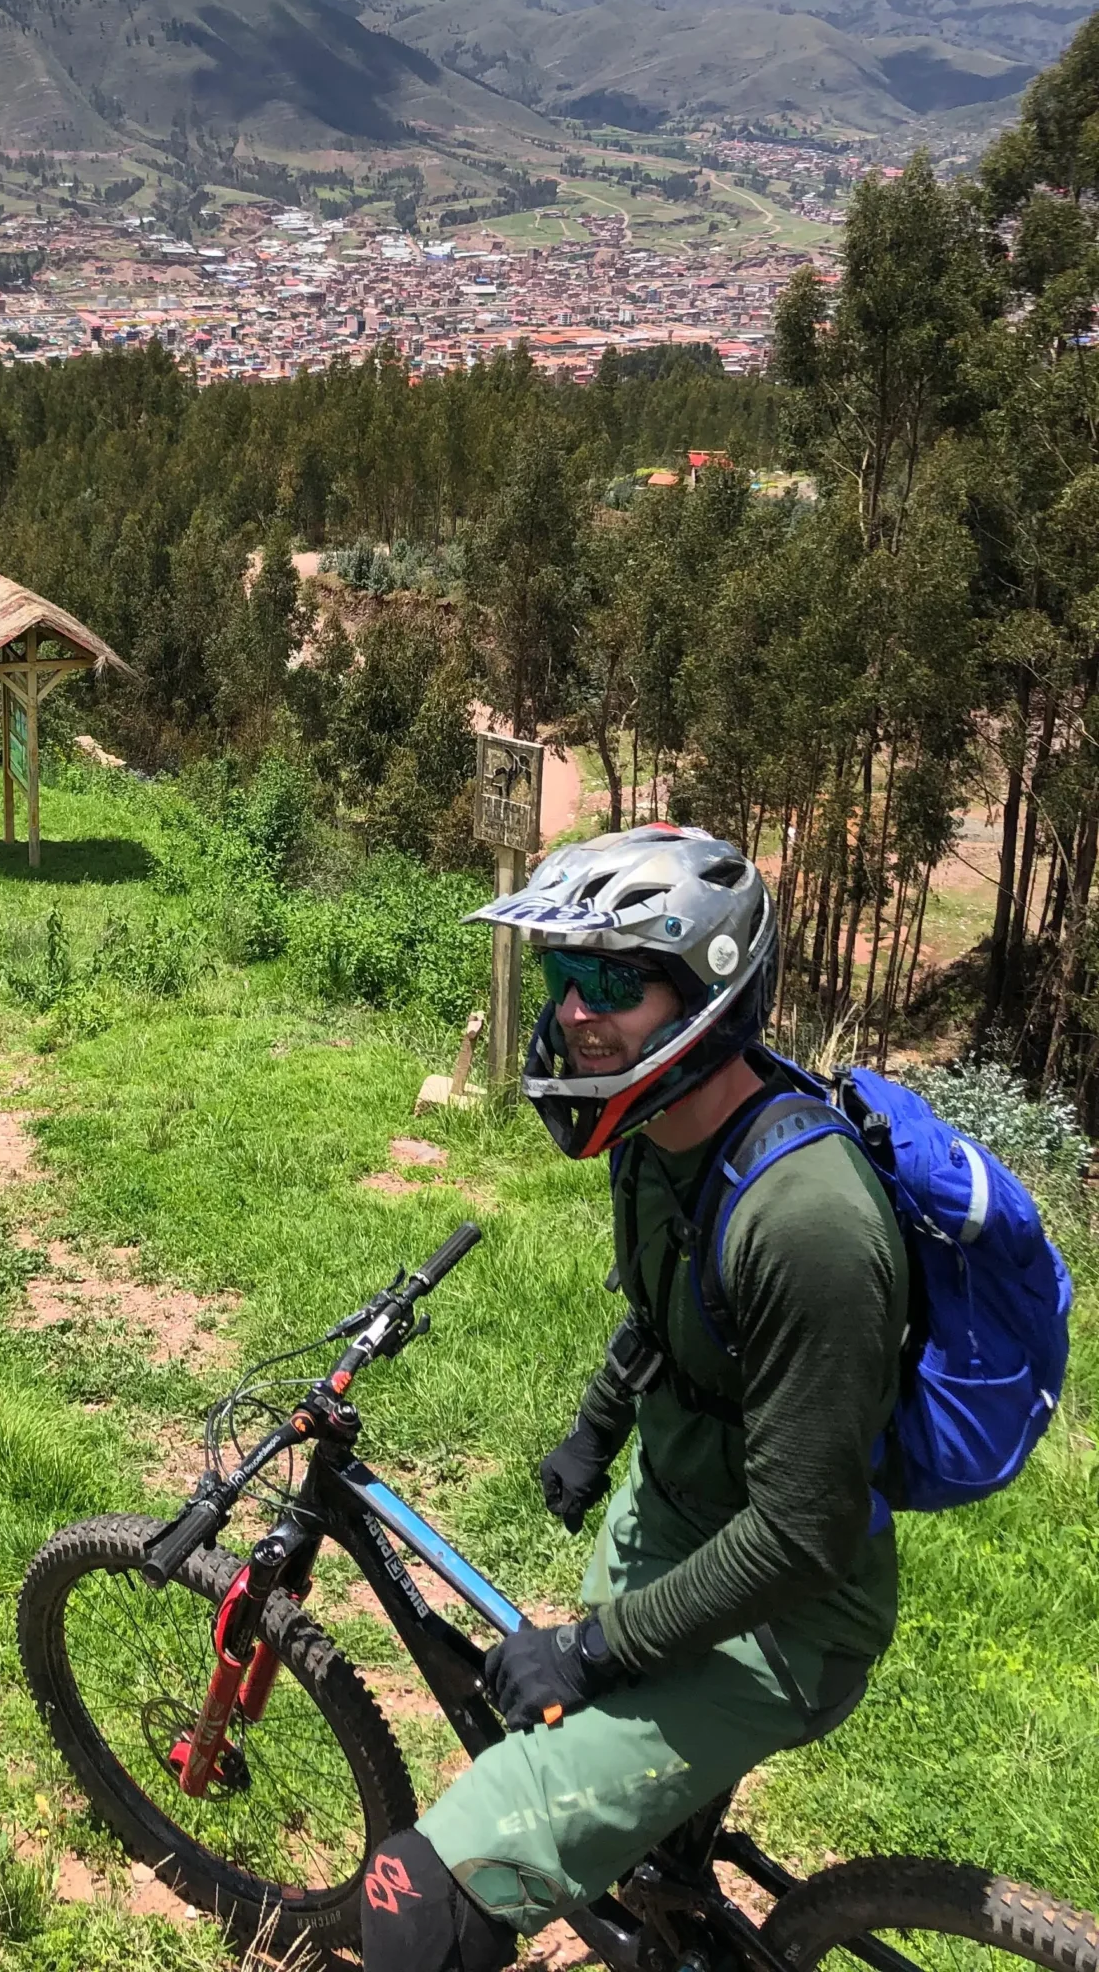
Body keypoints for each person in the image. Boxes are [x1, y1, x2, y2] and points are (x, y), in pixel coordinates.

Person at [360, 826, 909, 1972]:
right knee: (638, 1842)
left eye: (609, 979)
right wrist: (595, 1429)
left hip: (785, 1621)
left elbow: (805, 1534)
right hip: (670, 1519)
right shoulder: (655, 1132)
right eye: (565, 978)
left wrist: (599, 1647)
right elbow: (664, 1315)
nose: (570, 1011)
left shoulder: (807, 1220)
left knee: (419, 1909)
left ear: (706, 989)